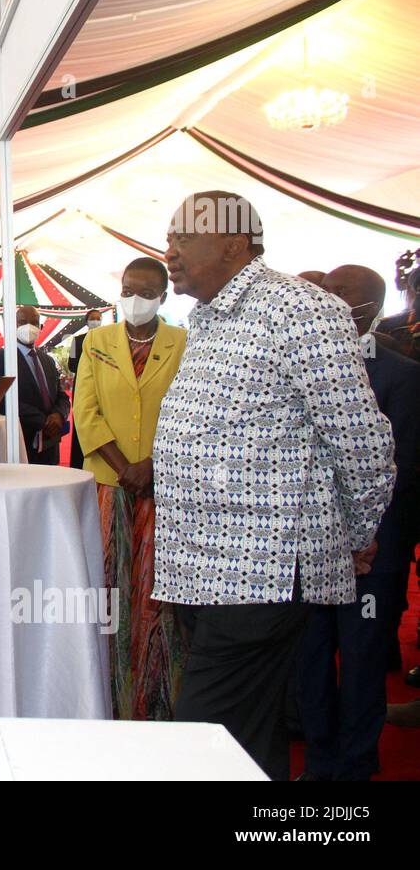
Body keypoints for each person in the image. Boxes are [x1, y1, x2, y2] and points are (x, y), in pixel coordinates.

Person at [152, 191, 395, 780]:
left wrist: (355, 535)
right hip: (202, 570)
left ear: (235, 243)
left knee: (203, 746)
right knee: (244, 745)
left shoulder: (299, 309)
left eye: (183, 238)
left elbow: (361, 439)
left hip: (259, 573)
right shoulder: (208, 316)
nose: (170, 253)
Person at [297, 264, 420, 779]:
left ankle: (354, 768)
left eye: (338, 292)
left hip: (374, 554)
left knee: (364, 664)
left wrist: (362, 537)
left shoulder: (402, 376)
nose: (325, 298)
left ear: (368, 304)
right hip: (310, 551)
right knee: (312, 662)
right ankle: (320, 760)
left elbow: (405, 469)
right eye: (322, 291)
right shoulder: (302, 370)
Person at [74, 259, 186, 720]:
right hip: (110, 485)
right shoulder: (97, 342)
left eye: (145, 292)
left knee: (157, 595)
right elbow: (87, 411)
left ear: (163, 296)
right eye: (127, 289)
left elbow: (189, 413)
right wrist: (125, 468)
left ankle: (156, 698)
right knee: (109, 586)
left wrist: (152, 466)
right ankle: (104, 693)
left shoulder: (183, 343)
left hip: (165, 489)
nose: (134, 300)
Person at [0, 305, 70, 465]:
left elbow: (60, 395)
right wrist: (43, 421)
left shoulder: (47, 360)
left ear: (40, 327)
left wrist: (59, 415)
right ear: (13, 326)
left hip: (50, 445)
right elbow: (1, 400)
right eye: (23, 322)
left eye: (34, 322)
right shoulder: (0, 360)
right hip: (20, 444)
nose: (29, 327)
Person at [67, 308, 103, 470]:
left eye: (98, 318)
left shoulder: (106, 339)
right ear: (87, 321)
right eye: (92, 318)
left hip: (103, 385)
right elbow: (71, 365)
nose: (95, 321)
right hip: (83, 384)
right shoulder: (77, 340)